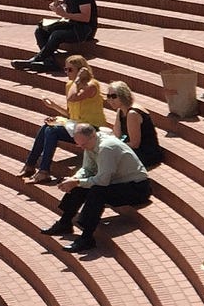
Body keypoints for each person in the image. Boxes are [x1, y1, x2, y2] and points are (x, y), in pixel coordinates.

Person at [41, 121, 153, 252]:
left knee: (97, 192)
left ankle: (87, 238)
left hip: (137, 189)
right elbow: (87, 169)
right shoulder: (91, 144)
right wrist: (74, 179)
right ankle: (65, 223)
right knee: (79, 184)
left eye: (83, 144)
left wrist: (77, 182)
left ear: (93, 136)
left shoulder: (106, 148)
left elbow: (102, 181)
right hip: (118, 183)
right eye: (79, 144)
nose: (82, 147)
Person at [22, 56, 107, 181]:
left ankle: (44, 171)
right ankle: (30, 165)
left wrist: (77, 80)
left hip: (91, 128)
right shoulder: (70, 85)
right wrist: (53, 106)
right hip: (76, 125)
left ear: (81, 70)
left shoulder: (91, 85)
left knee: (52, 131)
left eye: (70, 70)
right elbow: (70, 114)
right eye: (65, 69)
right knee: (47, 127)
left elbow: (73, 98)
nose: (66, 72)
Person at [13, 0, 99, 72]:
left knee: (57, 35)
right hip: (72, 24)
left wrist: (64, 14)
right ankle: (49, 62)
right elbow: (69, 8)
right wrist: (58, 6)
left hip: (85, 30)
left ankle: (38, 59)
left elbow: (86, 17)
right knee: (40, 30)